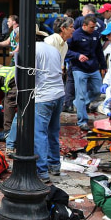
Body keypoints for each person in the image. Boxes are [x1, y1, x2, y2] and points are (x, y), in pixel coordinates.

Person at [31, 27, 66, 182]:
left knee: (39, 134)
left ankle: (42, 171)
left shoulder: (32, 51)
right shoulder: (53, 50)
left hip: (43, 96)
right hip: (58, 93)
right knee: (53, 131)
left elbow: (26, 75)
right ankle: (54, 165)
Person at [67, 15, 107, 131]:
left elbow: (99, 50)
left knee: (97, 91)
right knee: (80, 94)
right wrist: (77, 55)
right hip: (79, 69)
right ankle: (82, 121)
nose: (93, 29)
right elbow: (67, 50)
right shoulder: (75, 35)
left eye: (94, 27)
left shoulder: (95, 34)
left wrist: (103, 65)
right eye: (91, 27)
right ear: (84, 25)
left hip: (93, 68)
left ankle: (78, 104)